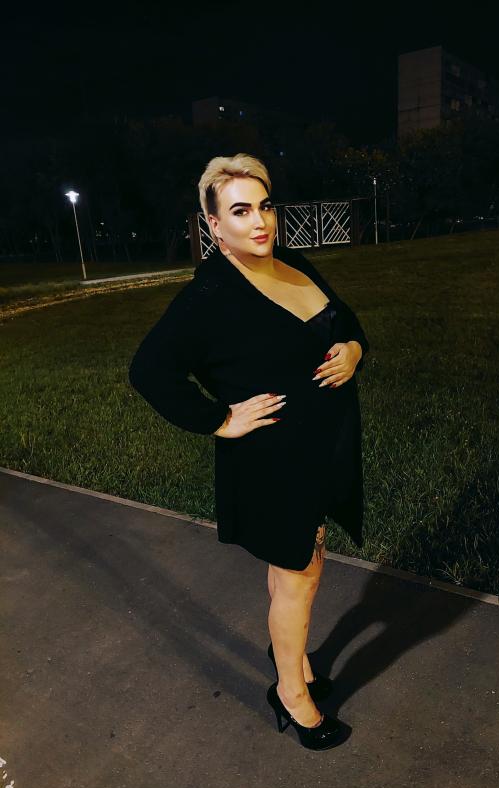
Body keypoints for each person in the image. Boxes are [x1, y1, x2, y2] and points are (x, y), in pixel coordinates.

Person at [128, 153, 370, 750]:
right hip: (274, 461)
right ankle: (291, 694)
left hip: (319, 450)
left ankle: (294, 659)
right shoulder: (211, 294)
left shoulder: (293, 262)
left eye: (264, 206)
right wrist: (220, 419)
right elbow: (149, 371)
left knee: (295, 570)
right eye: (240, 211)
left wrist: (353, 350)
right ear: (214, 225)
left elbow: (344, 320)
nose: (259, 221)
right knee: (301, 574)